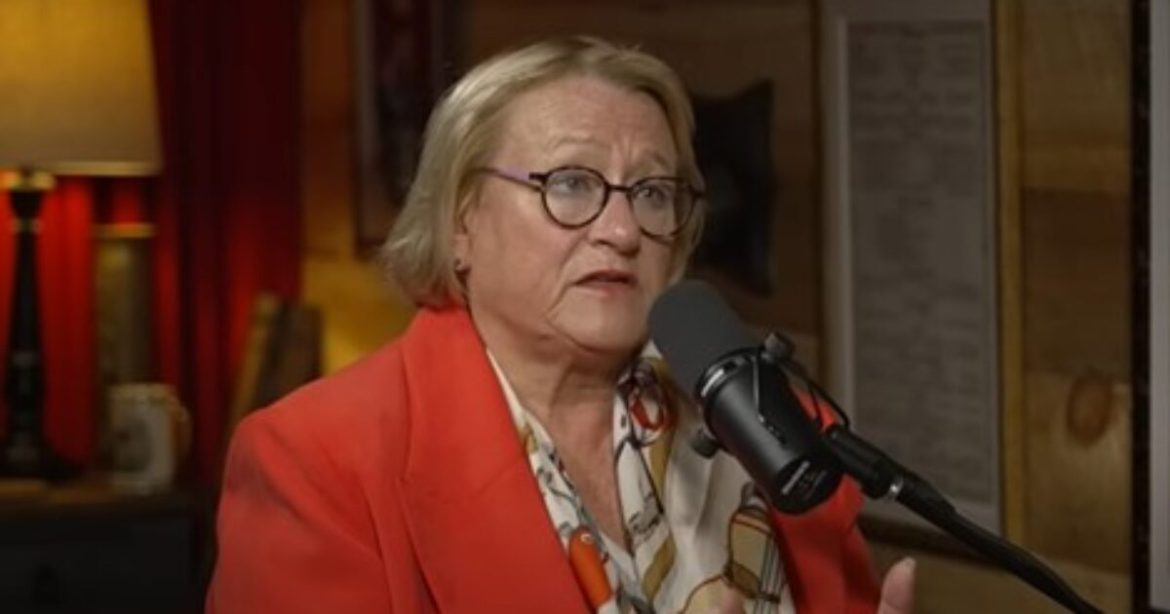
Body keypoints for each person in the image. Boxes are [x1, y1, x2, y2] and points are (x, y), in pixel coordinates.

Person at [206, 36, 915, 613]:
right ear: (460, 222)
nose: (622, 230)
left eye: (652, 192)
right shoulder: (316, 464)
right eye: (570, 184)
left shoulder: (770, 422)